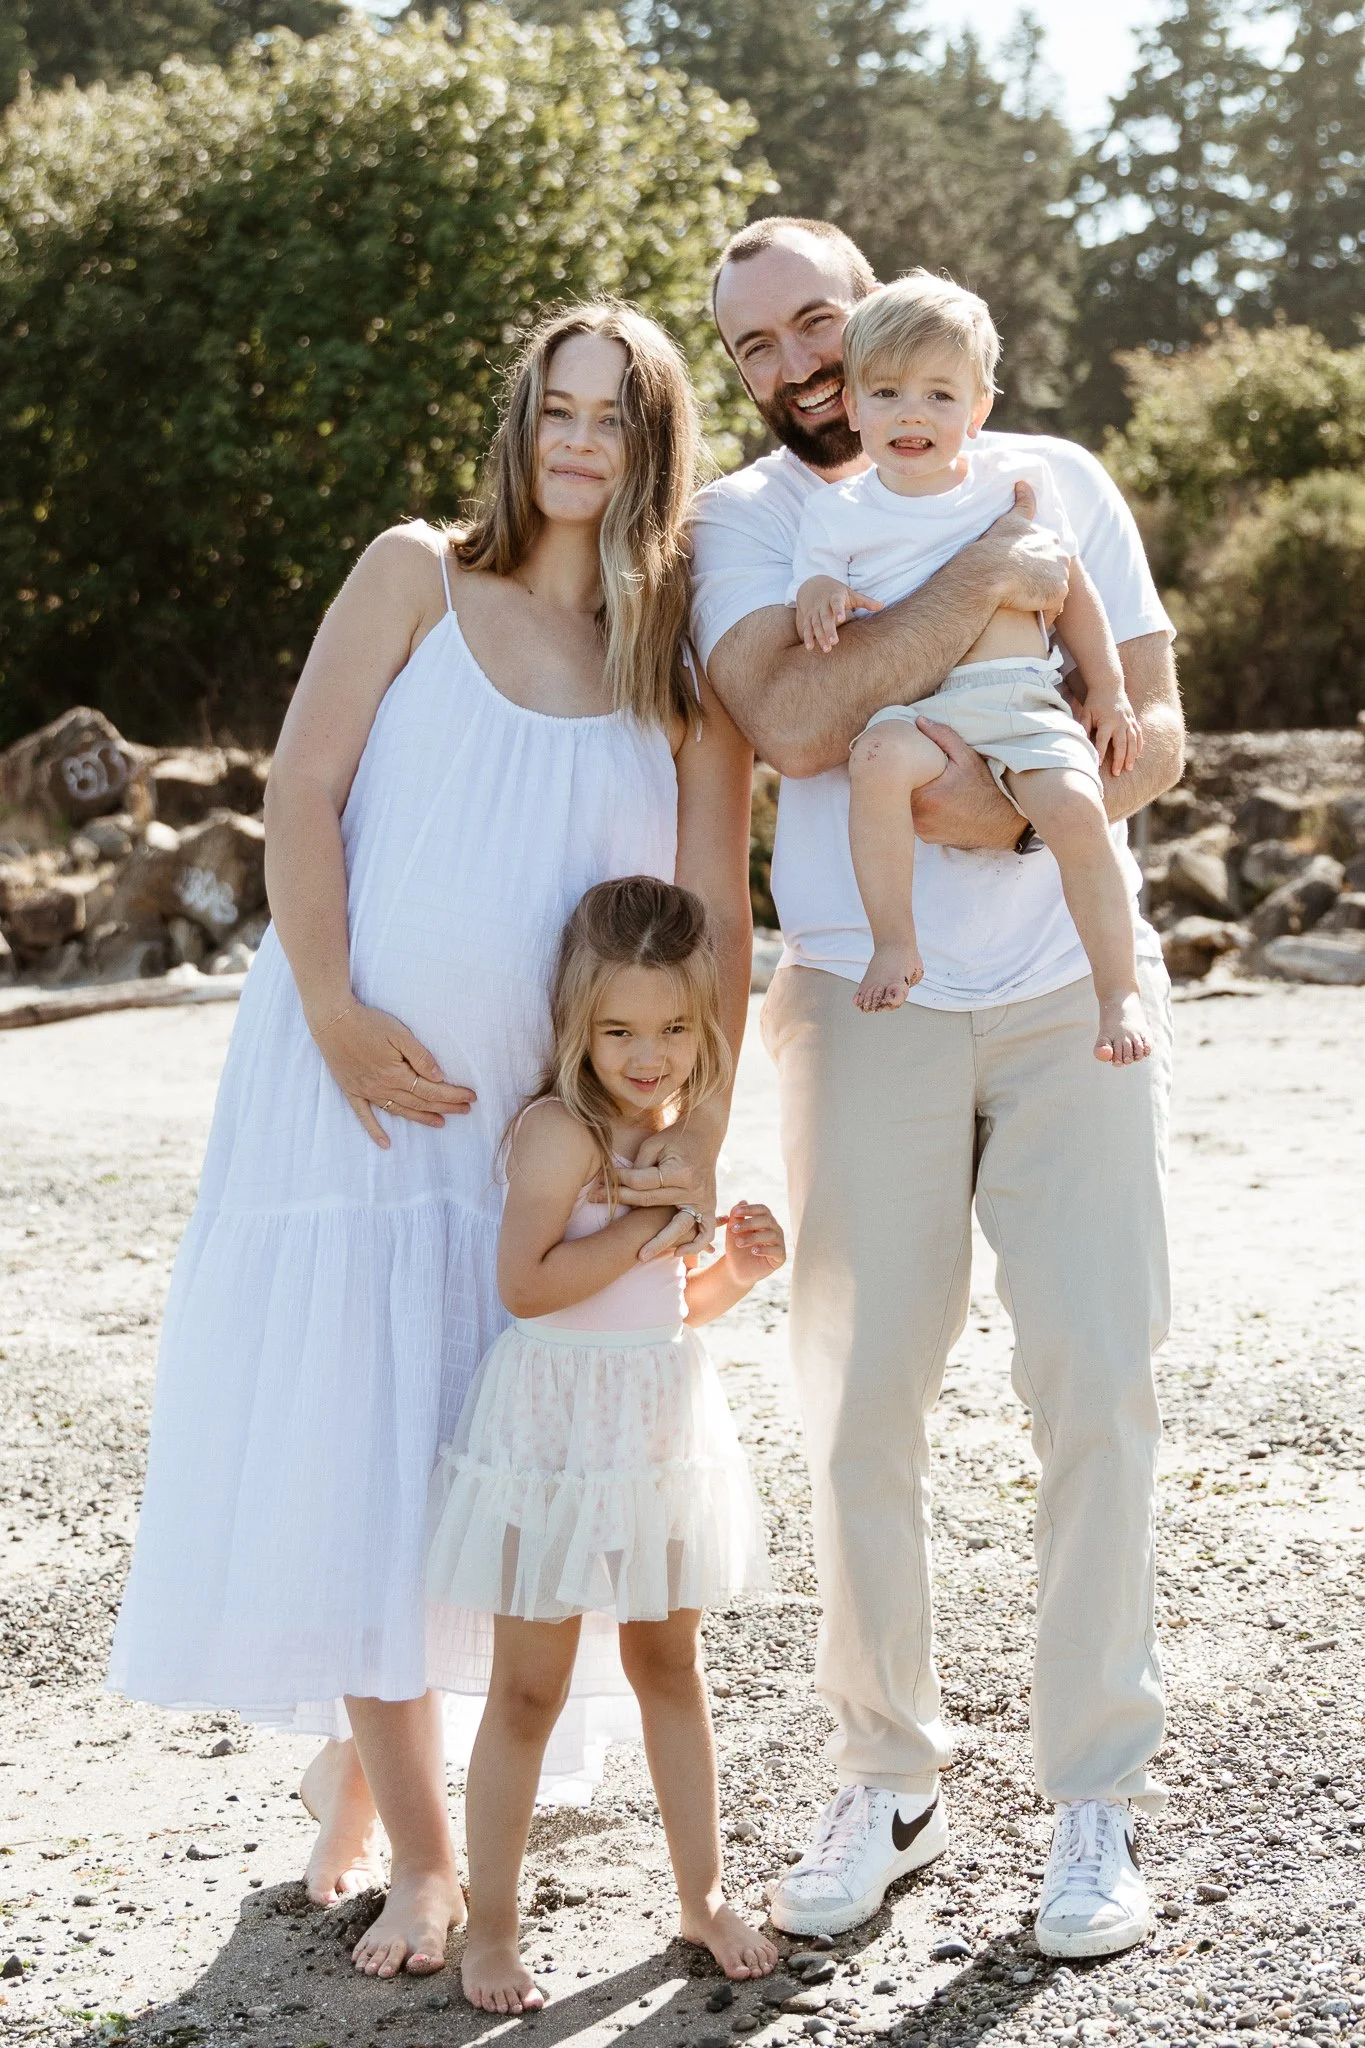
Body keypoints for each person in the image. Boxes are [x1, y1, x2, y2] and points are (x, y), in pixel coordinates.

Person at [107, 304, 755, 1981]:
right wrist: (327, 1001)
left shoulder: (672, 662)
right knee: (366, 1450)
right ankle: (424, 1856)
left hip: (555, 1131)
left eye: (615, 416)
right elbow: (302, 790)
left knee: (496, 1459)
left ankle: (377, 1778)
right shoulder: (412, 570)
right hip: (363, 1090)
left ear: (654, 445)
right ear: (520, 420)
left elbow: (710, 927)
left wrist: (695, 1146)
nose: (577, 439)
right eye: (556, 405)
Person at [692, 218, 1183, 1959]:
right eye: (757, 345)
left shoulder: (1056, 469)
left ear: (887, 314)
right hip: (862, 992)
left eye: (817, 318)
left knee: (1098, 1393)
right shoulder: (750, 522)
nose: (801, 363)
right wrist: (976, 591)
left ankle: (1094, 1800)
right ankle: (887, 1776)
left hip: (1067, 996)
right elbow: (806, 722)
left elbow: (1160, 733)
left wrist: (1020, 809)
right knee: (858, 1406)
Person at [426, 877, 784, 2011]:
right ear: (578, 1019)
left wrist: (740, 1268)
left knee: (670, 1661)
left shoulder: (676, 1134)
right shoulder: (558, 1134)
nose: (650, 1053)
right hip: (551, 1430)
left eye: (675, 1028)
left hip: (655, 1421)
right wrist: (640, 1227)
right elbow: (528, 1287)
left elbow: (671, 1301)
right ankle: (490, 1928)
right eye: (622, 1028)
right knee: (529, 1686)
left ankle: (702, 1892)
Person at [792, 272, 1149, 1066]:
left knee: (1076, 809)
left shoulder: (1011, 487)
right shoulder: (837, 512)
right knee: (875, 763)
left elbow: (1072, 587)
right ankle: (894, 942)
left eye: (939, 396)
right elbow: (813, 582)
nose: (910, 413)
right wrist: (818, 591)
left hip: (1021, 699)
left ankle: (1115, 988)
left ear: (978, 411)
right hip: (923, 711)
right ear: (851, 407)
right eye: (885, 393)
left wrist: (1111, 685)